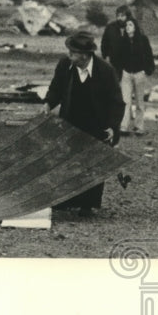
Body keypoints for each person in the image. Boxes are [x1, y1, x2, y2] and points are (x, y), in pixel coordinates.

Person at [42, 30, 126, 214]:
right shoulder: (65, 65)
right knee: (66, 161)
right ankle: (65, 200)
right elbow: (56, 87)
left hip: (96, 123)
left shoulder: (105, 70)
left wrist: (113, 127)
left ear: (85, 55)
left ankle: (88, 205)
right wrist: (48, 103)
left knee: (92, 163)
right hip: (70, 120)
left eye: (72, 52)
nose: (69, 54)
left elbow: (117, 102)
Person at [102, 12, 156, 135]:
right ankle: (123, 127)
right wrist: (118, 70)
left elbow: (149, 55)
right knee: (125, 102)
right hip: (126, 74)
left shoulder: (143, 40)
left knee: (139, 102)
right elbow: (117, 57)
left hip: (139, 74)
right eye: (126, 25)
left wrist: (148, 70)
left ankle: (139, 127)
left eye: (130, 25)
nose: (127, 27)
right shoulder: (122, 41)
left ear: (135, 27)